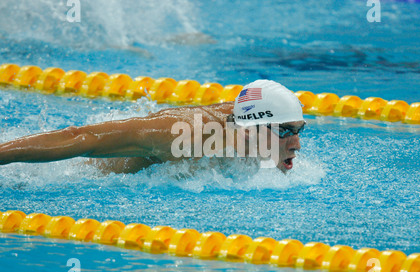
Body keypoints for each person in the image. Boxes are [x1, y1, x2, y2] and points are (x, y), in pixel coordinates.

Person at [0, 80, 306, 174]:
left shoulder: (254, 132)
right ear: (251, 128)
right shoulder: (184, 133)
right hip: (73, 173)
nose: (297, 145)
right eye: (285, 131)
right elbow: (82, 137)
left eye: (298, 130)